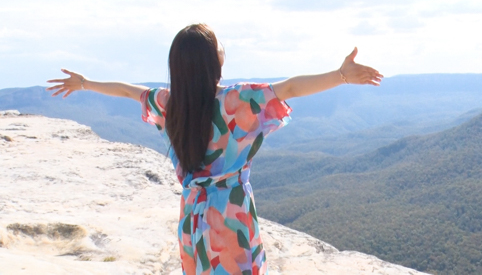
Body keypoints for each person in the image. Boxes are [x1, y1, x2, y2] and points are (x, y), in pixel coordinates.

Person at [46, 23, 383, 275]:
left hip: (192, 219)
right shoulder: (236, 102)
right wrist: (341, 75)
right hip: (231, 217)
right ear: (212, 60)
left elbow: (126, 91)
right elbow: (291, 88)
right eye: (219, 46)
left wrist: (85, 84)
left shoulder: (170, 104)